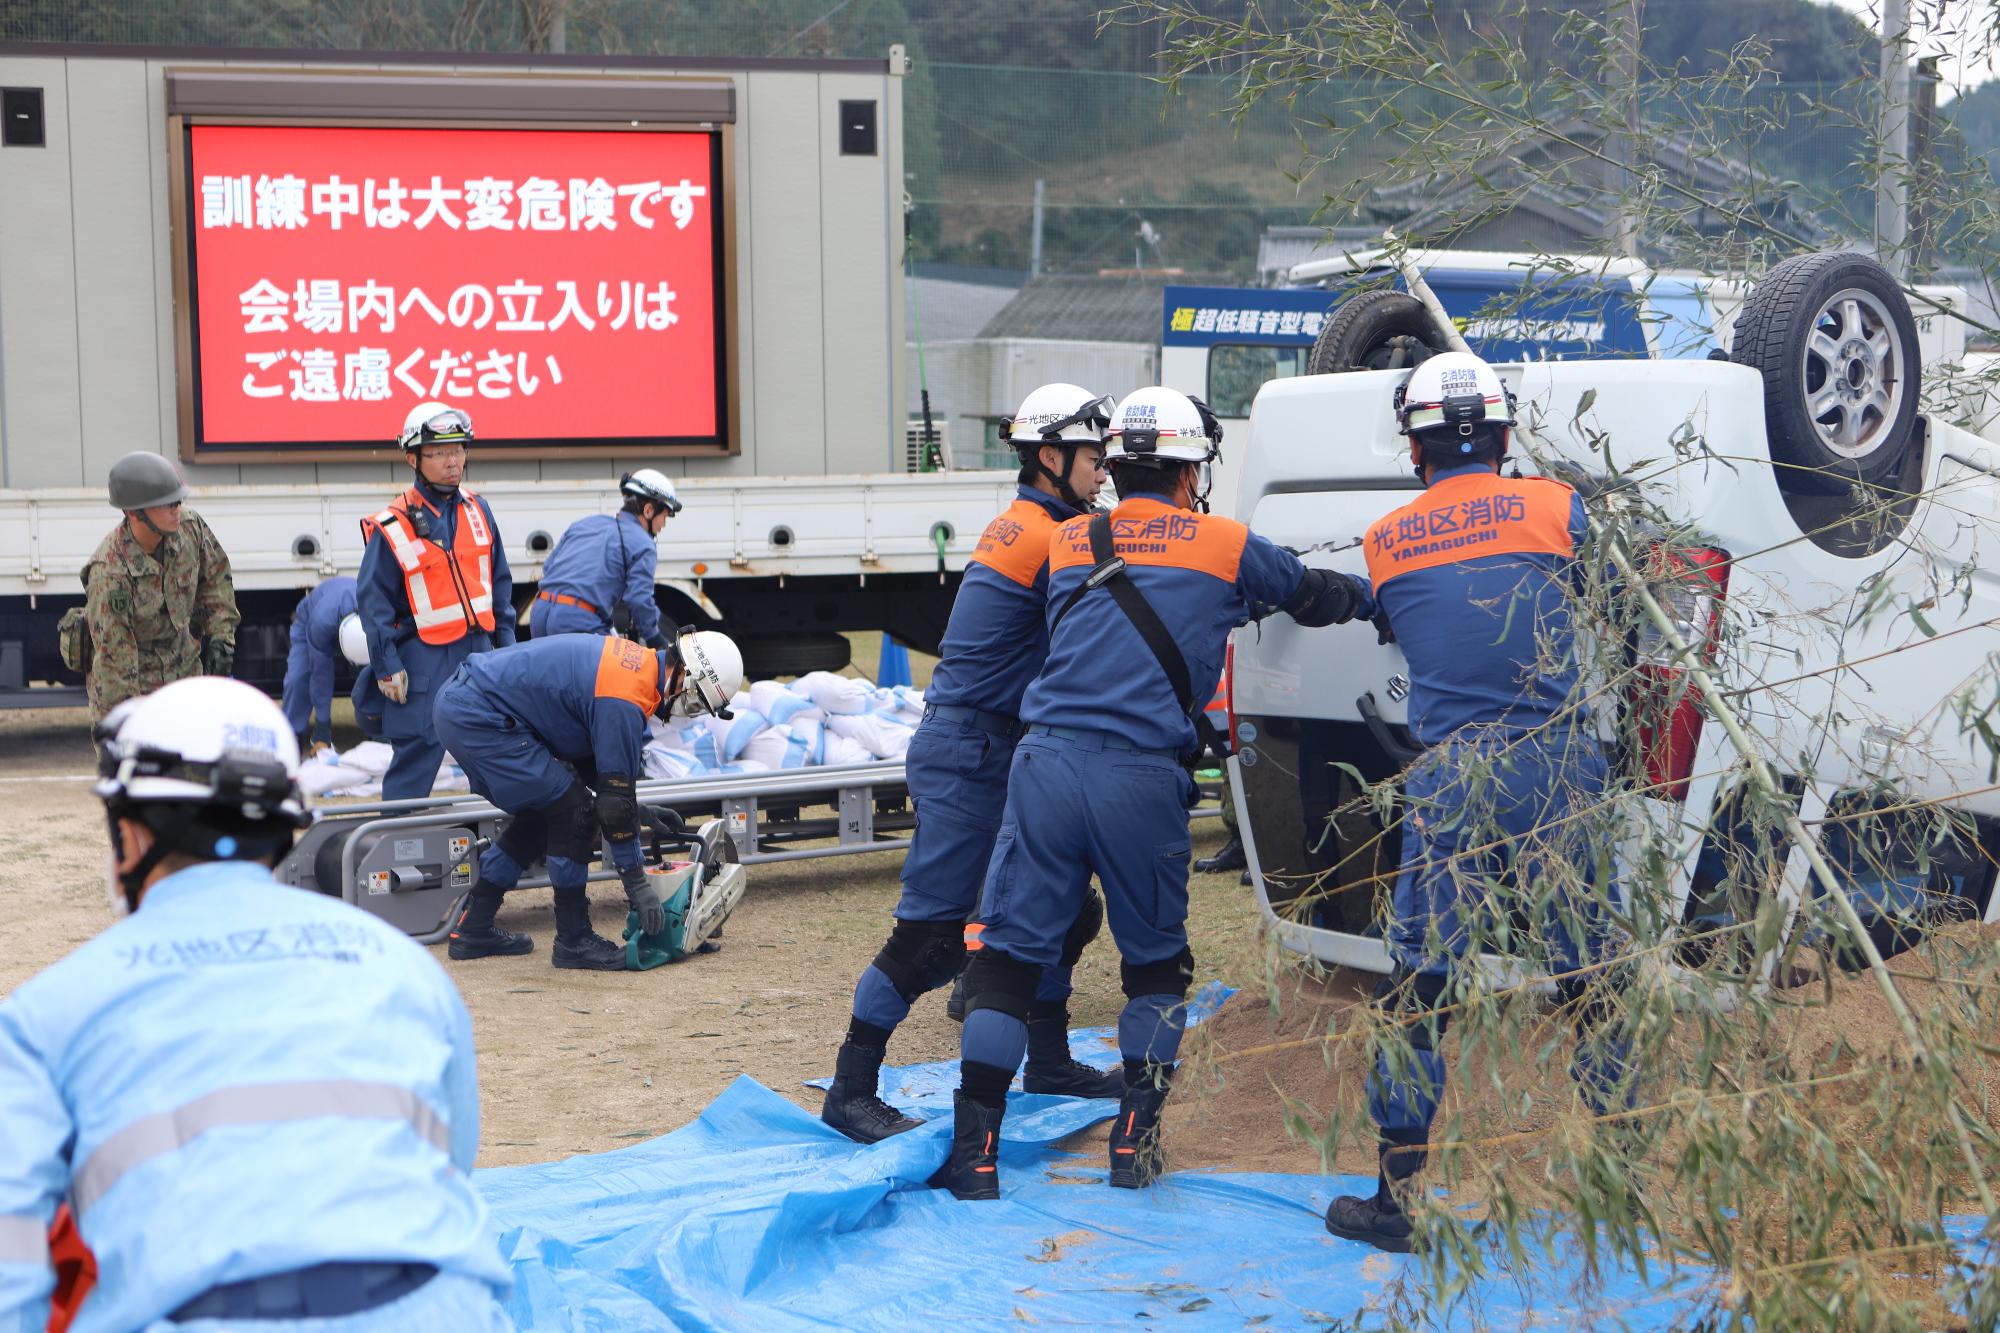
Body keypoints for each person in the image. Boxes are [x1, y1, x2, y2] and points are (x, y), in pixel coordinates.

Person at [933, 387, 1362, 1199]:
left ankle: (974, 1154)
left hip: (1046, 764)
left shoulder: (1067, 540)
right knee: (1154, 967)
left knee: (1006, 964)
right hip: (1141, 775)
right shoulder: (1225, 544)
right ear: (1192, 468)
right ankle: (1134, 1144)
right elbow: (1313, 594)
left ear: (1118, 462)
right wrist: (1373, 597)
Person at [0, 677, 514, 1330]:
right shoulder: (404, 968)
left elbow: (12, 1263)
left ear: (129, 838)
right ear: (283, 831)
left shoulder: (45, 1016)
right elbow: (452, 1158)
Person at [1318, 351, 1629, 1253]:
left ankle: (1395, 1198)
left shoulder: (1386, 540)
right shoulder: (1562, 510)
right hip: (1557, 762)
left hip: (1453, 772)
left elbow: (1401, 621)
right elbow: (1615, 599)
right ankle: (1623, 1179)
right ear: (1502, 435)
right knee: (1592, 973)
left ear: (1415, 450)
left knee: (1420, 982)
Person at [820, 383, 1126, 1144]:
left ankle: (1049, 1060)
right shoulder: (1050, 538)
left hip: (994, 744)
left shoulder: (1027, 521)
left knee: (1065, 909)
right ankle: (851, 1086)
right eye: (1092, 457)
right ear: (1051, 457)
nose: (1103, 471)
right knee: (930, 938)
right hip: (971, 753)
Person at [430, 629, 744, 971]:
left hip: (467, 704)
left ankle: (475, 928)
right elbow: (610, 804)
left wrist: (640, 811)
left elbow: (606, 781)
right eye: (695, 701)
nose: (687, 711)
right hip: (478, 716)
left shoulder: (634, 671)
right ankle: (573, 940)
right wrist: (637, 884)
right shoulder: (626, 697)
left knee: (543, 811)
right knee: (573, 813)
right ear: (683, 673)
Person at [353, 402, 515, 801]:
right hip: (424, 659)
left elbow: (500, 585)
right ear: (413, 457)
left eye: (458, 450)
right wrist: (387, 666)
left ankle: (499, 849)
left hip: (481, 653)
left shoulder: (479, 509)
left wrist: (509, 654)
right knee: (418, 752)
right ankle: (392, 850)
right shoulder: (393, 524)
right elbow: (373, 603)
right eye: (439, 452)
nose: (452, 461)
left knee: (495, 749)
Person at [80, 453, 239, 722]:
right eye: (166, 504)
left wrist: (222, 637)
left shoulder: (190, 529)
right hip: (135, 685)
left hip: (185, 672)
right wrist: (130, 726)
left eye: (177, 501)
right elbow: (115, 665)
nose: (176, 508)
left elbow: (215, 580)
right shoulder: (110, 573)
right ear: (133, 512)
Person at [528, 470, 682, 648]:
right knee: (611, 674)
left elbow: (549, 567)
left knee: (551, 676)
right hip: (577, 622)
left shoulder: (585, 524)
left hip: (540, 612)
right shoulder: (643, 543)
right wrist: (655, 638)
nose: (663, 524)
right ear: (648, 510)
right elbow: (639, 598)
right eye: (664, 516)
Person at [280, 576, 360, 755]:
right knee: (298, 678)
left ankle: (378, 732)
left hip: (345, 614)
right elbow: (320, 674)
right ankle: (291, 736)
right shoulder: (321, 622)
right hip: (308, 619)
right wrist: (323, 729)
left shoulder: (375, 613)